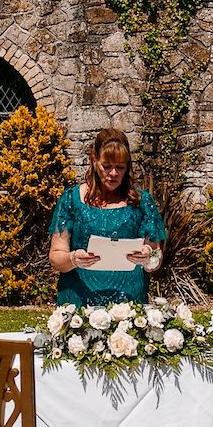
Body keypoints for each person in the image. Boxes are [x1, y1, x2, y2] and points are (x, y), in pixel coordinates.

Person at [48, 128, 165, 307]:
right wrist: (73, 258)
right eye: (107, 166)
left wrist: (148, 256)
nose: (113, 173)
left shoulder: (142, 201)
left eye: (120, 167)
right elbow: (56, 256)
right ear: (94, 161)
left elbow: (156, 256)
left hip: (129, 302)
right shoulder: (71, 198)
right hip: (79, 301)